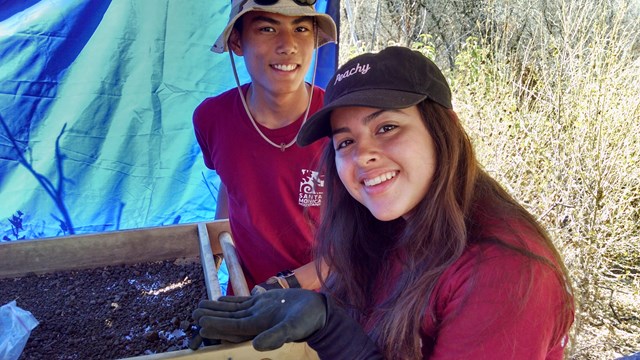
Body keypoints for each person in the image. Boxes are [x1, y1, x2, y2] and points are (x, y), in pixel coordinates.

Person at [192, 46, 575, 359]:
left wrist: (336, 334)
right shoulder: (389, 223)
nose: (363, 156)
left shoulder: (504, 273)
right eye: (345, 141)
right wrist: (322, 311)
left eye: (386, 128)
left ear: (445, 129)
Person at [193, 0, 337, 293]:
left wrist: (282, 287)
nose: (288, 45)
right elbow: (231, 183)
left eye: (300, 29)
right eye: (267, 28)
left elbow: (367, 239)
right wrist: (214, 264)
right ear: (236, 41)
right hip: (248, 297)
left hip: (330, 299)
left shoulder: (339, 119)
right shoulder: (213, 118)